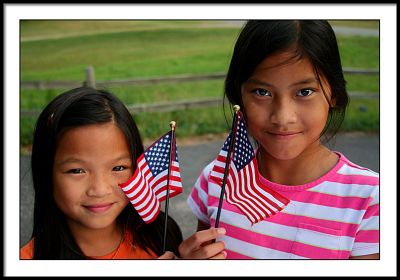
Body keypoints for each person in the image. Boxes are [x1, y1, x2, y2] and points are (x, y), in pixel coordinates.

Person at [182, 20, 379, 259]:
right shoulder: (217, 179)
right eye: (262, 92)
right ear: (239, 97)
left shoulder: (370, 199)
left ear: (334, 94)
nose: (283, 117)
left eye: (304, 92)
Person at [20, 86, 183, 259]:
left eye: (118, 168)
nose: (99, 190)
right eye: (76, 170)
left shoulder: (162, 238)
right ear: (46, 173)